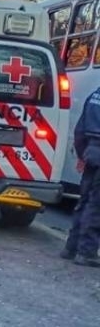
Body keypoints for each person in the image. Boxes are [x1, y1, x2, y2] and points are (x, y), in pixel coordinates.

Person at [64, 84, 100, 267]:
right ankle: (86, 252)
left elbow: (80, 130)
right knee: (96, 206)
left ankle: (71, 248)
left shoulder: (95, 95)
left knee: (84, 201)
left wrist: (81, 155)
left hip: (91, 153)